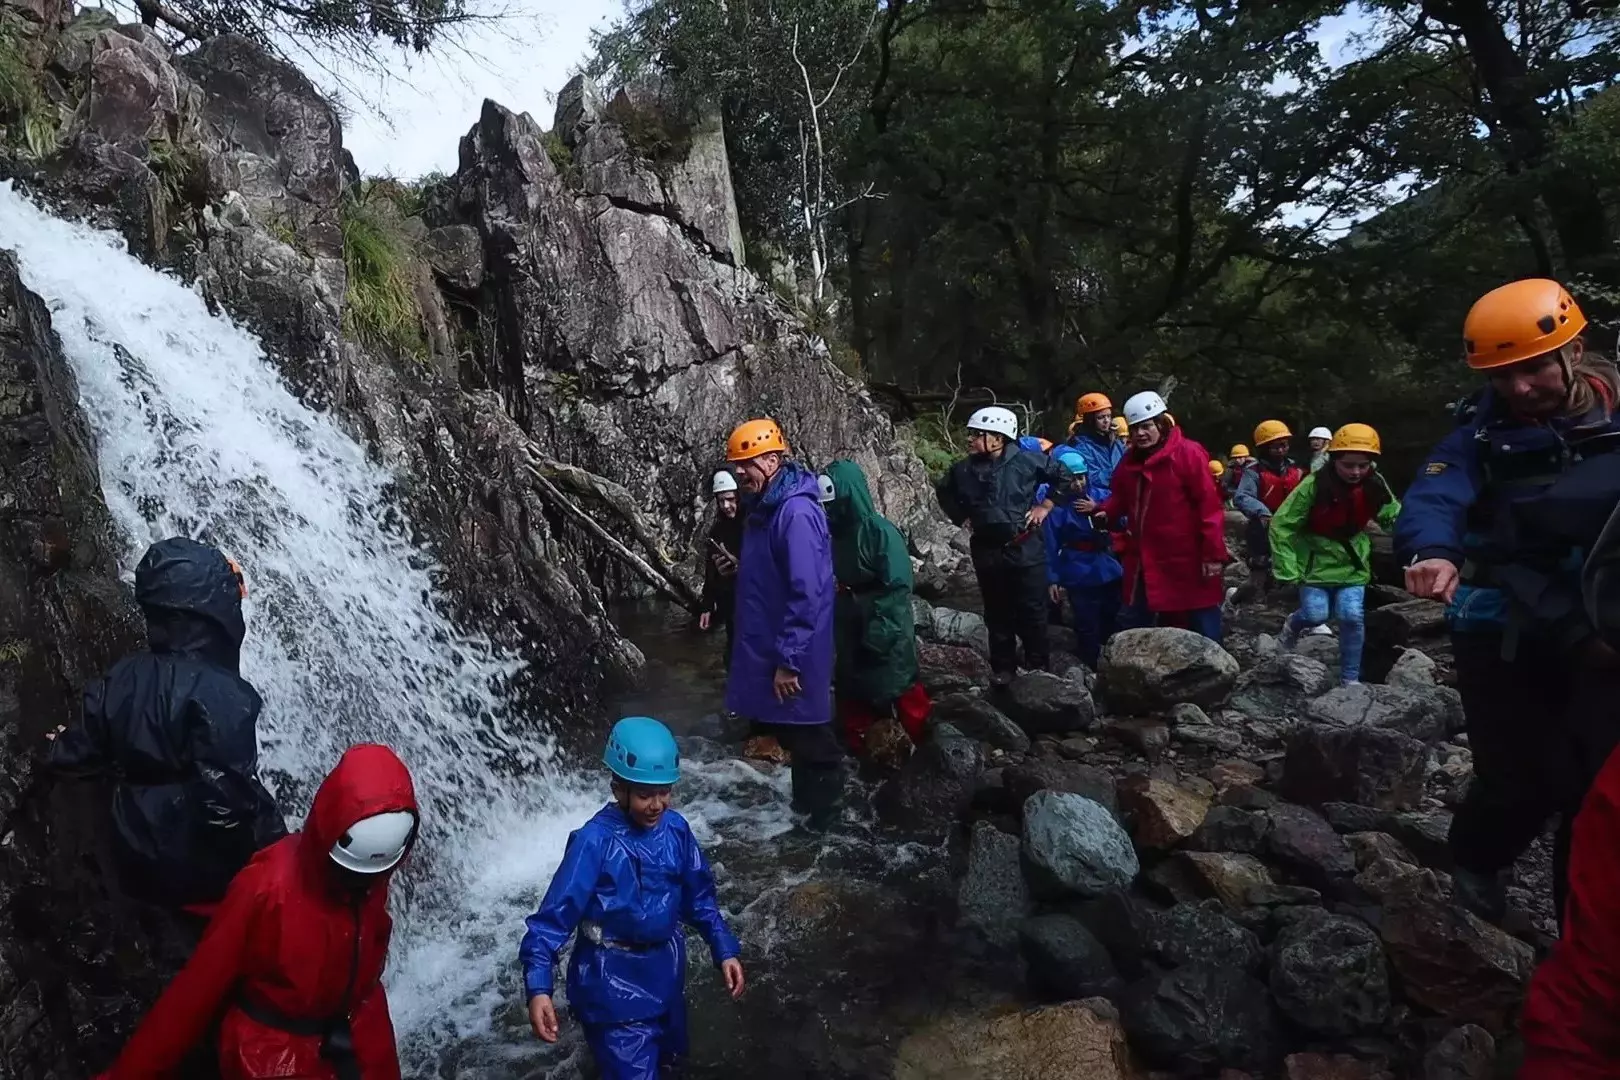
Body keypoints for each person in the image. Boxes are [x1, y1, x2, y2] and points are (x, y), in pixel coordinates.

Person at [1395, 277, 1620, 924]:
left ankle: (1581, 931)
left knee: (1595, 789)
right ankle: (1476, 860)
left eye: (1531, 370)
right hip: (1500, 626)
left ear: (1571, 354)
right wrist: (1431, 551)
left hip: (1599, 624)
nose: (1518, 389)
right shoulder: (1478, 434)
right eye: (1502, 377)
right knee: (1522, 780)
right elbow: (1437, 494)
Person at [94, 743, 419, 1080]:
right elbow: (192, 998)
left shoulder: (373, 868)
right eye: (349, 873)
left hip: (359, 1028)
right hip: (277, 1050)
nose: (359, 884)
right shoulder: (266, 889)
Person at [47, 536, 285, 916]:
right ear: (215, 612)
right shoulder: (225, 695)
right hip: (191, 867)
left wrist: (57, 746)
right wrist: (267, 844)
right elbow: (224, 806)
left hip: (130, 847)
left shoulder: (124, 675)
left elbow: (82, 748)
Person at [521, 717, 744, 1080]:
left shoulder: (676, 830)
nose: (656, 804)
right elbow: (552, 919)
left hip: (665, 973)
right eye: (644, 795)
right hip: (611, 986)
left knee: (673, 1064)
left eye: (664, 792)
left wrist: (723, 947)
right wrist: (539, 988)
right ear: (618, 789)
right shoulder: (594, 842)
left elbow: (699, 896)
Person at [722, 418, 840, 826]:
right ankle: (807, 816)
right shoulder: (767, 508)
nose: (739, 473)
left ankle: (826, 826)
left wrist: (789, 659)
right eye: (736, 466)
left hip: (794, 649)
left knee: (809, 734)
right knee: (794, 732)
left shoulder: (794, 512)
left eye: (746, 464)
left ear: (772, 461)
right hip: (776, 641)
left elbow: (808, 590)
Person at [936, 406, 1073, 685]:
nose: (970, 439)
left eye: (977, 435)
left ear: (998, 438)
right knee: (997, 613)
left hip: (1025, 548)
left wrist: (1044, 507)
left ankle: (1038, 667)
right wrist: (962, 517)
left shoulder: (1028, 462)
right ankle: (1004, 669)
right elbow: (944, 491)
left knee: (1033, 610)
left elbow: (1065, 476)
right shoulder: (962, 470)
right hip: (987, 550)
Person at [1270, 424, 1401, 685]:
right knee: (1315, 615)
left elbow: (1392, 513)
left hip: (1353, 563)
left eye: (1363, 466)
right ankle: (1291, 627)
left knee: (1352, 617)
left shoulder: (1374, 482)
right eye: (1349, 465)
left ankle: (1350, 678)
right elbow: (1282, 524)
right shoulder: (1314, 485)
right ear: (1335, 460)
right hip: (1315, 563)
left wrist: (1417, 538)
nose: (1356, 472)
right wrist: (1287, 569)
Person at [821, 460, 932, 754]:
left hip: (882, 614)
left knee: (897, 676)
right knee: (851, 679)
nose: (829, 510)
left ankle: (917, 739)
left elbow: (897, 584)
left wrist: (882, 626)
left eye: (834, 503)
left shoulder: (879, 531)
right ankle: (858, 743)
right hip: (849, 614)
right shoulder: (836, 534)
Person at [1100, 391, 1228, 641]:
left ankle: (1218, 672)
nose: (1139, 434)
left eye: (1146, 427)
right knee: (1158, 622)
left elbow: (1209, 507)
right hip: (1147, 558)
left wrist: (1213, 555)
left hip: (1187, 556)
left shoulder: (1187, 454)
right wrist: (1106, 511)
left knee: (1201, 619)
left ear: (1161, 424)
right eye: (1135, 428)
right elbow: (1120, 496)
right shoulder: (1130, 462)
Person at [1044, 447, 1123, 667]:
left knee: (1113, 612)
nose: (1078, 484)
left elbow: (1122, 519)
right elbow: (1050, 545)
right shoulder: (1057, 509)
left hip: (1106, 563)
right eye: (1072, 479)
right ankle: (1090, 663)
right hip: (1078, 567)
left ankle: (1113, 657)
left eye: (1081, 478)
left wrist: (1099, 509)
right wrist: (1052, 579)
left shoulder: (1100, 495)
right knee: (1086, 620)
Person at [1233, 421, 1303, 570]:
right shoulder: (1254, 471)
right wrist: (1263, 512)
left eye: (1284, 445)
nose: (1281, 450)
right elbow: (1242, 496)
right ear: (1264, 449)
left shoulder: (1295, 469)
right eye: (1275, 446)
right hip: (1263, 526)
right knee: (1261, 571)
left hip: (1292, 524)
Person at [698, 469, 744, 666]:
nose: (726, 506)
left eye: (730, 499)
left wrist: (741, 567)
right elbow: (711, 569)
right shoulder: (718, 530)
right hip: (731, 602)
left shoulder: (753, 524)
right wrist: (707, 606)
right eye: (721, 501)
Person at [1066, 392, 1126, 502]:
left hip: (1120, 497)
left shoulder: (1115, 441)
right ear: (1090, 420)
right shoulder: (1081, 446)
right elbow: (1092, 478)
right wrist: (1121, 475)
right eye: (1101, 417)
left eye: (1108, 416)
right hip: (1098, 500)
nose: (1106, 421)